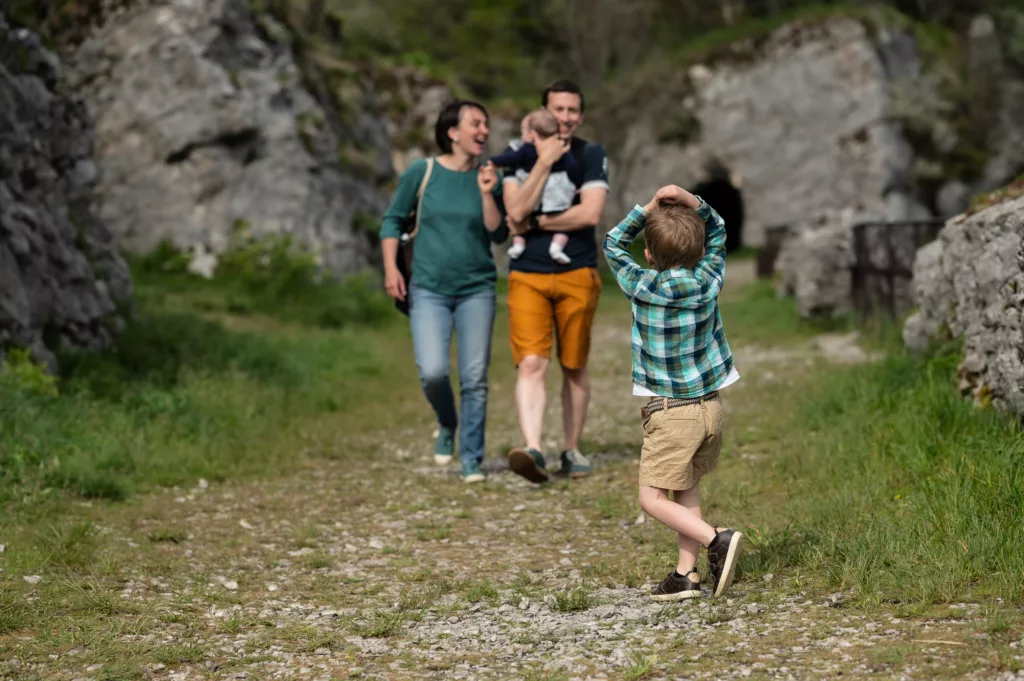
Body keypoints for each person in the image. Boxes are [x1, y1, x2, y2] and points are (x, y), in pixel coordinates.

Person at [602, 184, 744, 600]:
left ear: (649, 256)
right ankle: (686, 574)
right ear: (700, 254)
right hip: (710, 409)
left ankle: (716, 538)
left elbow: (612, 243)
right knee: (687, 490)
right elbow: (718, 230)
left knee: (651, 499)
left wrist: (645, 209)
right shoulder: (708, 280)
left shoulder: (642, 285)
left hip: (671, 413)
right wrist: (692, 200)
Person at [379, 100, 508, 484]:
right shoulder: (423, 171)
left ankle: (471, 457)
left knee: (474, 377)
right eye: (475, 124)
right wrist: (390, 269)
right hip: (429, 288)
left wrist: (488, 193)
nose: (483, 130)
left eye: (486, 124)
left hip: (476, 289)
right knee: (433, 372)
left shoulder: (488, 177)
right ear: (453, 132)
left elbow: (498, 234)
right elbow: (392, 221)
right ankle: (447, 423)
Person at [500, 80, 609, 484]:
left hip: (577, 271)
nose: (565, 118)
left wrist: (538, 221)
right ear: (543, 111)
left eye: (572, 111)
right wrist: (544, 160)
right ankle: (533, 448)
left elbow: (589, 213)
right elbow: (513, 212)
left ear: (580, 116)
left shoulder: (591, 153)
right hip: (526, 273)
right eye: (557, 109)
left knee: (574, 363)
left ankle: (571, 447)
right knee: (531, 361)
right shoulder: (517, 154)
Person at [490, 108, 581, 265]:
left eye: (524, 131)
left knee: (520, 220)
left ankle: (518, 244)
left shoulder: (525, 148)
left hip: (534, 197)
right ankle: (557, 247)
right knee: (562, 222)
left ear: (532, 134)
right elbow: (573, 167)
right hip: (557, 194)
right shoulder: (562, 148)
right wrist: (577, 183)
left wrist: (495, 160)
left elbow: (511, 158)